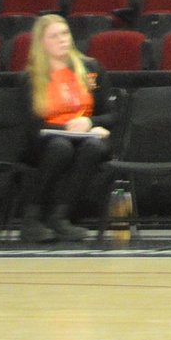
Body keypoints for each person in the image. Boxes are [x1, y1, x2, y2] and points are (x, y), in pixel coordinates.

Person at [17, 14, 118, 243]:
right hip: (45, 140)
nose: (63, 40)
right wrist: (66, 128)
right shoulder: (31, 77)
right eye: (54, 36)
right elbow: (32, 125)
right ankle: (31, 219)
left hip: (86, 136)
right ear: (41, 43)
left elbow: (112, 114)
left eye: (65, 34)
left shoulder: (91, 69)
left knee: (93, 147)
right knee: (61, 147)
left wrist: (91, 123)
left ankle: (59, 216)